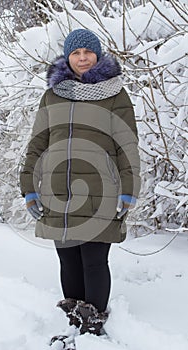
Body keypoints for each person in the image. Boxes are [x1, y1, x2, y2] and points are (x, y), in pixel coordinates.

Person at [20, 29, 141, 343]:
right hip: (58, 193)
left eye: (88, 51)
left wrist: (128, 190)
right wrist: (29, 187)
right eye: (76, 52)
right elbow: (37, 144)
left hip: (102, 192)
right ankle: (74, 319)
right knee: (68, 259)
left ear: (98, 55)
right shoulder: (52, 95)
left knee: (93, 260)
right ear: (68, 57)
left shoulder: (116, 95)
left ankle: (94, 326)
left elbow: (127, 147)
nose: (83, 57)